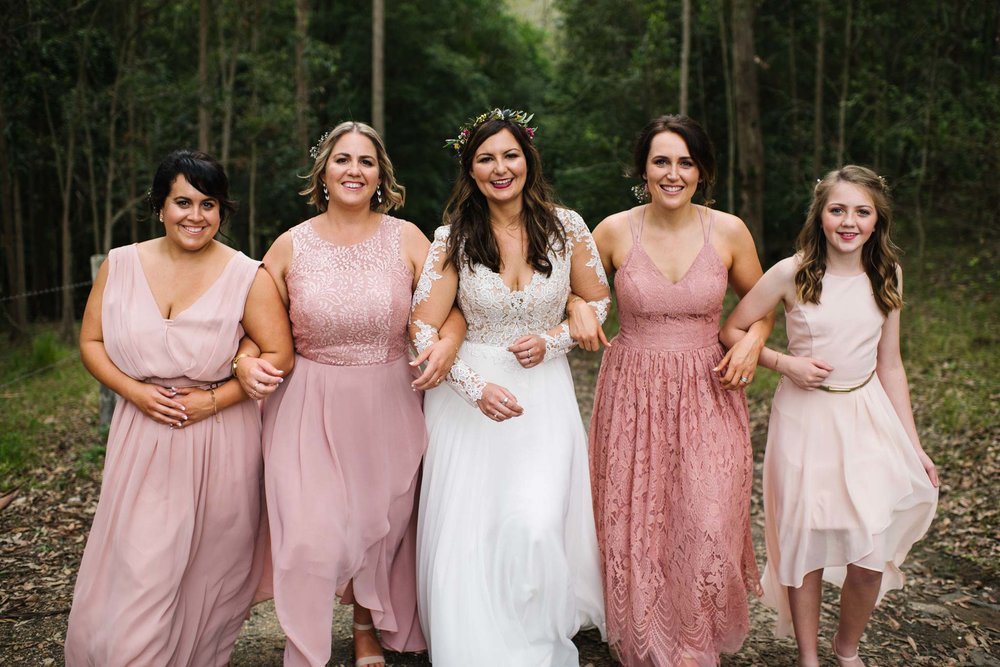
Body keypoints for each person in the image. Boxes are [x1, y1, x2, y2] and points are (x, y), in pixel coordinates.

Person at [232, 121, 463, 667]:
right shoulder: (290, 245)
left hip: (388, 400)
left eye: (365, 161)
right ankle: (305, 641)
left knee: (376, 526)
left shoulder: (407, 238)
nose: (354, 170)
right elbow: (257, 326)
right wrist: (244, 358)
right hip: (307, 402)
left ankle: (364, 626)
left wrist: (449, 342)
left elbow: (449, 308)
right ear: (323, 172)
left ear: (381, 174)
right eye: (342, 160)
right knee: (311, 534)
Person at [65, 150, 294, 666]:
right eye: (183, 202)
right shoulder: (121, 264)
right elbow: (91, 343)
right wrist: (135, 391)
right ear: (160, 206)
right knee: (141, 566)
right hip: (141, 435)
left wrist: (212, 399)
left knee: (205, 571)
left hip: (219, 442)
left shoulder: (246, 275)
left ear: (222, 211)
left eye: (208, 204)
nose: (195, 216)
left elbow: (281, 355)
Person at [570, 114, 770, 666]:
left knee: (707, 516)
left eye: (685, 162)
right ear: (642, 169)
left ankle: (694, 641)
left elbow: (761, 306)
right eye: (661, 161)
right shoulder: (611, 231)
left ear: (702, 171)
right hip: (633, 390)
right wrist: (577, 309)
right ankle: (647, 640)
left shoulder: (729, 231)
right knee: (639, 521)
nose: (673, 173)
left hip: (709, 389)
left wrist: (753, 342)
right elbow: (571, 293)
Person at [411, 108, 608, 665]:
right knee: (477, 526)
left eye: (510, 155)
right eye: (485, 158)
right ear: (470, 171)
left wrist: (558, 338)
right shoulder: (453, 238)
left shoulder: (567, 227)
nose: (501, 168)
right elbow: (422, 325)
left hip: (543, 392)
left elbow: (597, 302)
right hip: (468, 396)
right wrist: (472, 387)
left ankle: (534, 627)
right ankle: (478, 638)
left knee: (536, 522)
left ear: (528, 160)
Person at [720, 165, 939, 667]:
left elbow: (892, 365)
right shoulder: (791, 272)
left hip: (866, 416)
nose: (849, 221)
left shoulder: (888, 274)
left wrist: (914, 444)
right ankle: (808, 658)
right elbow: (732, 329)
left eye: (862, 212)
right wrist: (783, 363)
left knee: (869, 551)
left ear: (877, 220)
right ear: (820, 215)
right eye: (837, 209)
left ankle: (847, 648)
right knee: (806, 542)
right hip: (805, 419)